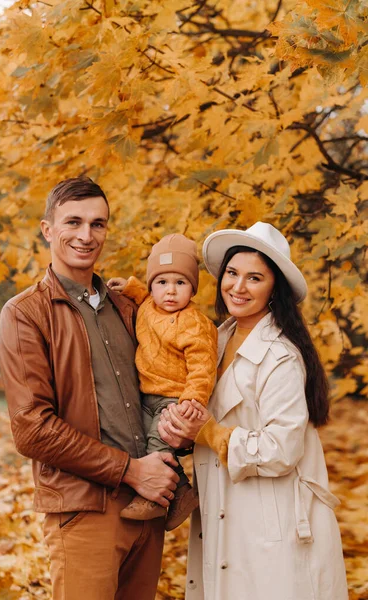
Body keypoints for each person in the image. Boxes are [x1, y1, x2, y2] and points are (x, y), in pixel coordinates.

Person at [0, 176, 179, 600]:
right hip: (84, 511)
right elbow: (31, 428)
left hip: (147, 506)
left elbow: (165, 377)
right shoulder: (25, 314)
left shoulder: (127, 306)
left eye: (98, 224)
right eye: (73, 222)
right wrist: (130, 470)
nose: (86, 235)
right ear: (47, 229)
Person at [158, 221, 348, 600]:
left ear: (273, 288)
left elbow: (282, 449)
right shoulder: (217, 337)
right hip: (225, 509)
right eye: (232, 273)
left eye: (254, 278)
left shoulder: (281, 356)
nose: (238, 287)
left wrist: (209, 433)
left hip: (272, 522)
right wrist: (181, 430)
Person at [107, 234, 217, 530]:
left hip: (174, 398)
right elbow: (143, 295)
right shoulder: (147, 307)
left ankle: (157, 499)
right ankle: (181, 490)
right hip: (147, 396)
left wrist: (192, 400)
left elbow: (202, 367)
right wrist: (130, 287)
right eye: (162, 283)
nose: (170, 292)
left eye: (180, 283)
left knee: (158, 445)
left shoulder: (194, 323)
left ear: (192, 288)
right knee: (136, 440)